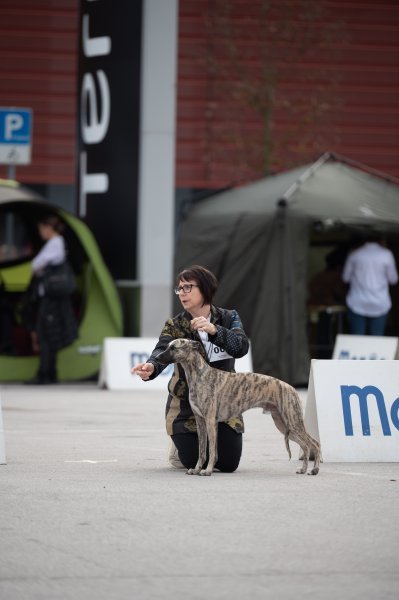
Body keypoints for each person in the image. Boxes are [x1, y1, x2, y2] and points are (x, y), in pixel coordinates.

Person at [132, 265, 249, 472]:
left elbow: (241, 347)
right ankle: (179, 445)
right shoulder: (175, 324)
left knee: (228, 464)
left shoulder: (229, 317)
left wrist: (215, 330)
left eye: (188, 287)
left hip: (224, 403)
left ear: (204, 289)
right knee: (195, 461)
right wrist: (151, 366)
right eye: (179, 289)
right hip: (187, 406)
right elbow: (161, 350)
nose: (182, 293)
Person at [25, 215, 78, 384]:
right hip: (51, 297)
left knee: (45, 334)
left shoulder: (55, 243)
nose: (41, 232)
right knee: (48, 333)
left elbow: (36, 264)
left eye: (41, 229)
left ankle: (45, 374)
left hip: (52, 298)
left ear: (48, 228)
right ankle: (48, 372)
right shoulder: (56, 243)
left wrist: (36, 270)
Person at [342, 231, 398, 336]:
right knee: (376, 338)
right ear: (381, 239)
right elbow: (393, 280)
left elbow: (345, 278)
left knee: (357, 337)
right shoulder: (386, 254)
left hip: (357, 301)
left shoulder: (355, 254)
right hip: (380, 302)